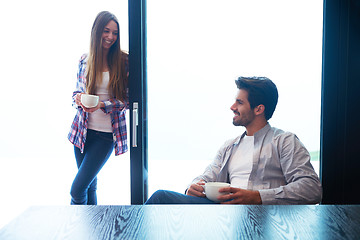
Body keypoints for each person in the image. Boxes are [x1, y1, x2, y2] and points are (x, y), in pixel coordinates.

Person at [146, 76, 322, 205]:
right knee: (161, 200)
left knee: (160, 197)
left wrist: (257, 197)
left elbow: (311, 188)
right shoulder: (230, 146)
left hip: (267, 216)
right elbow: (207, 176)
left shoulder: (285, 141)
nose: (232, 107)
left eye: (239, 102)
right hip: (223, 213)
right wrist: (192, 187)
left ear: (259, 109)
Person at [68, 11, 129, 205]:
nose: (111, 37)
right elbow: (76, 92)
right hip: (82, 132)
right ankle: (92, 233)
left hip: (105, 135)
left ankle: (73, 232)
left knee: (77, 190)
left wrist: (103, 105)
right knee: (89, 187)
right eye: (106, 31)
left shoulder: (124, 61)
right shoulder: (85, 60)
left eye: (115, 33)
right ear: (97, 32)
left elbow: (127, 101)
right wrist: (78, 98)